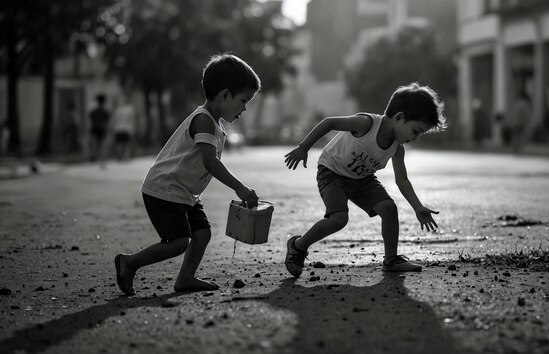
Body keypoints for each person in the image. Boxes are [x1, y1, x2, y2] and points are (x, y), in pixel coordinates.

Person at [114, 54, 261, 295]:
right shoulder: (203, 121)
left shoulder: (214, 123)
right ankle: (129, 262)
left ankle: (185, 278)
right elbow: (210, 162)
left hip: (185, 193)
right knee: (178, 242)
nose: (244, 108)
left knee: (202, 234)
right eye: (244, 100)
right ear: (225, 95)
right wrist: (240, 188)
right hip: (165, 189)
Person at [283, 82, 446, 277]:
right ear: (400, 118)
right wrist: (303, 148)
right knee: (339, 219)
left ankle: (391, 260)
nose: (416, 138)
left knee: (389, 208)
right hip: (332, 172)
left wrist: (417, 207)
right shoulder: (366, 124)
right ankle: (298, 245)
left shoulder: (397, 148)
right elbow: (329, 123)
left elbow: (402, 180)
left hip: (362, 179)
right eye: (416, 131)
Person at [110, 96, 136, 161]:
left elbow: (114, 120)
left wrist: (113, 128)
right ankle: (125, 157)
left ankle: (119, 157)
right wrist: (133, 128)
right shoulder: (130, 109)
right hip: (127, 128)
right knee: (126, 143)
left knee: (119, 143)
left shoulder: (117, 110)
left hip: (118, 128)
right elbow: (132, 119)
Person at [89, 94, 110, 162]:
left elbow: (91, 120)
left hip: (94, 129)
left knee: (94, 144)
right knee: (102, 145)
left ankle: (94, 155)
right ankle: (102, 158)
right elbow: (107, 122)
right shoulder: (105, 112)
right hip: (102, 129)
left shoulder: (93, 111)